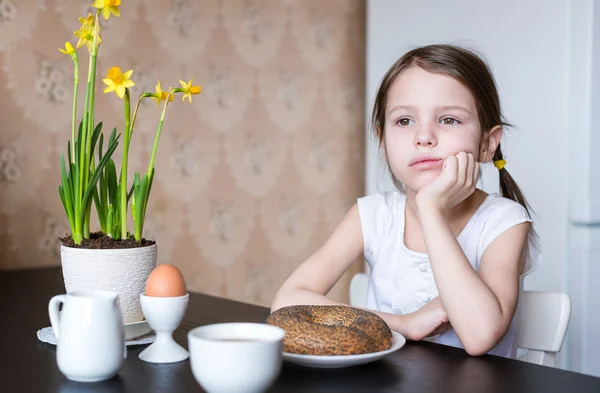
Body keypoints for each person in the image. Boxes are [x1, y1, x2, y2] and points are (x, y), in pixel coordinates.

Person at [270, 44, 541, 358]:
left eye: (449, 120)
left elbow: (480, 336)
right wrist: (402, 323)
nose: (423, 137)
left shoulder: (504, 222)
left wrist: (431, 211)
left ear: (486, 144)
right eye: (404, 121)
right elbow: (287, 300)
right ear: (382, 141)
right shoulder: (372, 214)